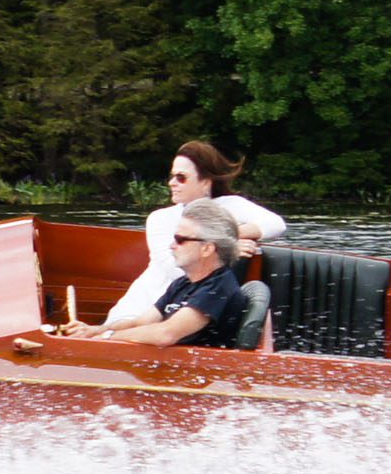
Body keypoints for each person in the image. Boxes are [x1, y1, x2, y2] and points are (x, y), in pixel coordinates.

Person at [103, 139, 287, 326]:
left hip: (190, 313)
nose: (172, 183)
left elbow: (276, 224)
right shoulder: (159, 219)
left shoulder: (230, 205)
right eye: (172, 176)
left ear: (205, 182)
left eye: (181, 177)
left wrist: (226, 239)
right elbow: (175, 269)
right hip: (142, 309)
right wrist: (227, 245)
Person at [57, 202, 247, 345]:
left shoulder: (219, 287)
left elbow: (166, 334)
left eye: (180, 240)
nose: (171, 245)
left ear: (207, 249)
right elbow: (141, 323)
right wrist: (96, 330)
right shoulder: (183, 283)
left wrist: (107, 337)